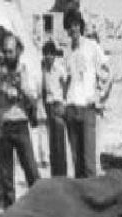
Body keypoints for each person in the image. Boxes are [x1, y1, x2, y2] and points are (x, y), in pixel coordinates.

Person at [0, 32, 39, 208]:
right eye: (5, 51)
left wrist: (21, 86)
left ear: (18, 51)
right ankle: (10, 207)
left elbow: (34, 97)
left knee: (30, 167)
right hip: (3, 123)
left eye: (10, 51)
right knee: (5, 172)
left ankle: (38, 204)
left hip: (20, 123)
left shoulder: (25, 69)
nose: (7, 55)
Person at [63, 9, 111, 178]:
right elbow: (65, 80)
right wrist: (63, 102)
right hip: (71, 108)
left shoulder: (92, 46)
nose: (73, 29)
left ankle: (92, 193)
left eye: (76, 25)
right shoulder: (67, 51)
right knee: (77, 163)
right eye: (70, 26)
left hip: (87, 108)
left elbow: (107, 73)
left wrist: (100, 97)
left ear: (81, 26)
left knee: (89, 162)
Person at [41, 40, 68, 176]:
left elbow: (65, 85)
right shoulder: (43, 70)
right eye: (46, 54)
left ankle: (62, 173)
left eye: (51, 54)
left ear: (54, 55)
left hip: (58, 104)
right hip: (49, 105)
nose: (49, 57)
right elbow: (43, 89)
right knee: (52, 141)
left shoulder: (59, 69)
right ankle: (54, 173)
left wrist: (63, 102)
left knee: (60, 142)